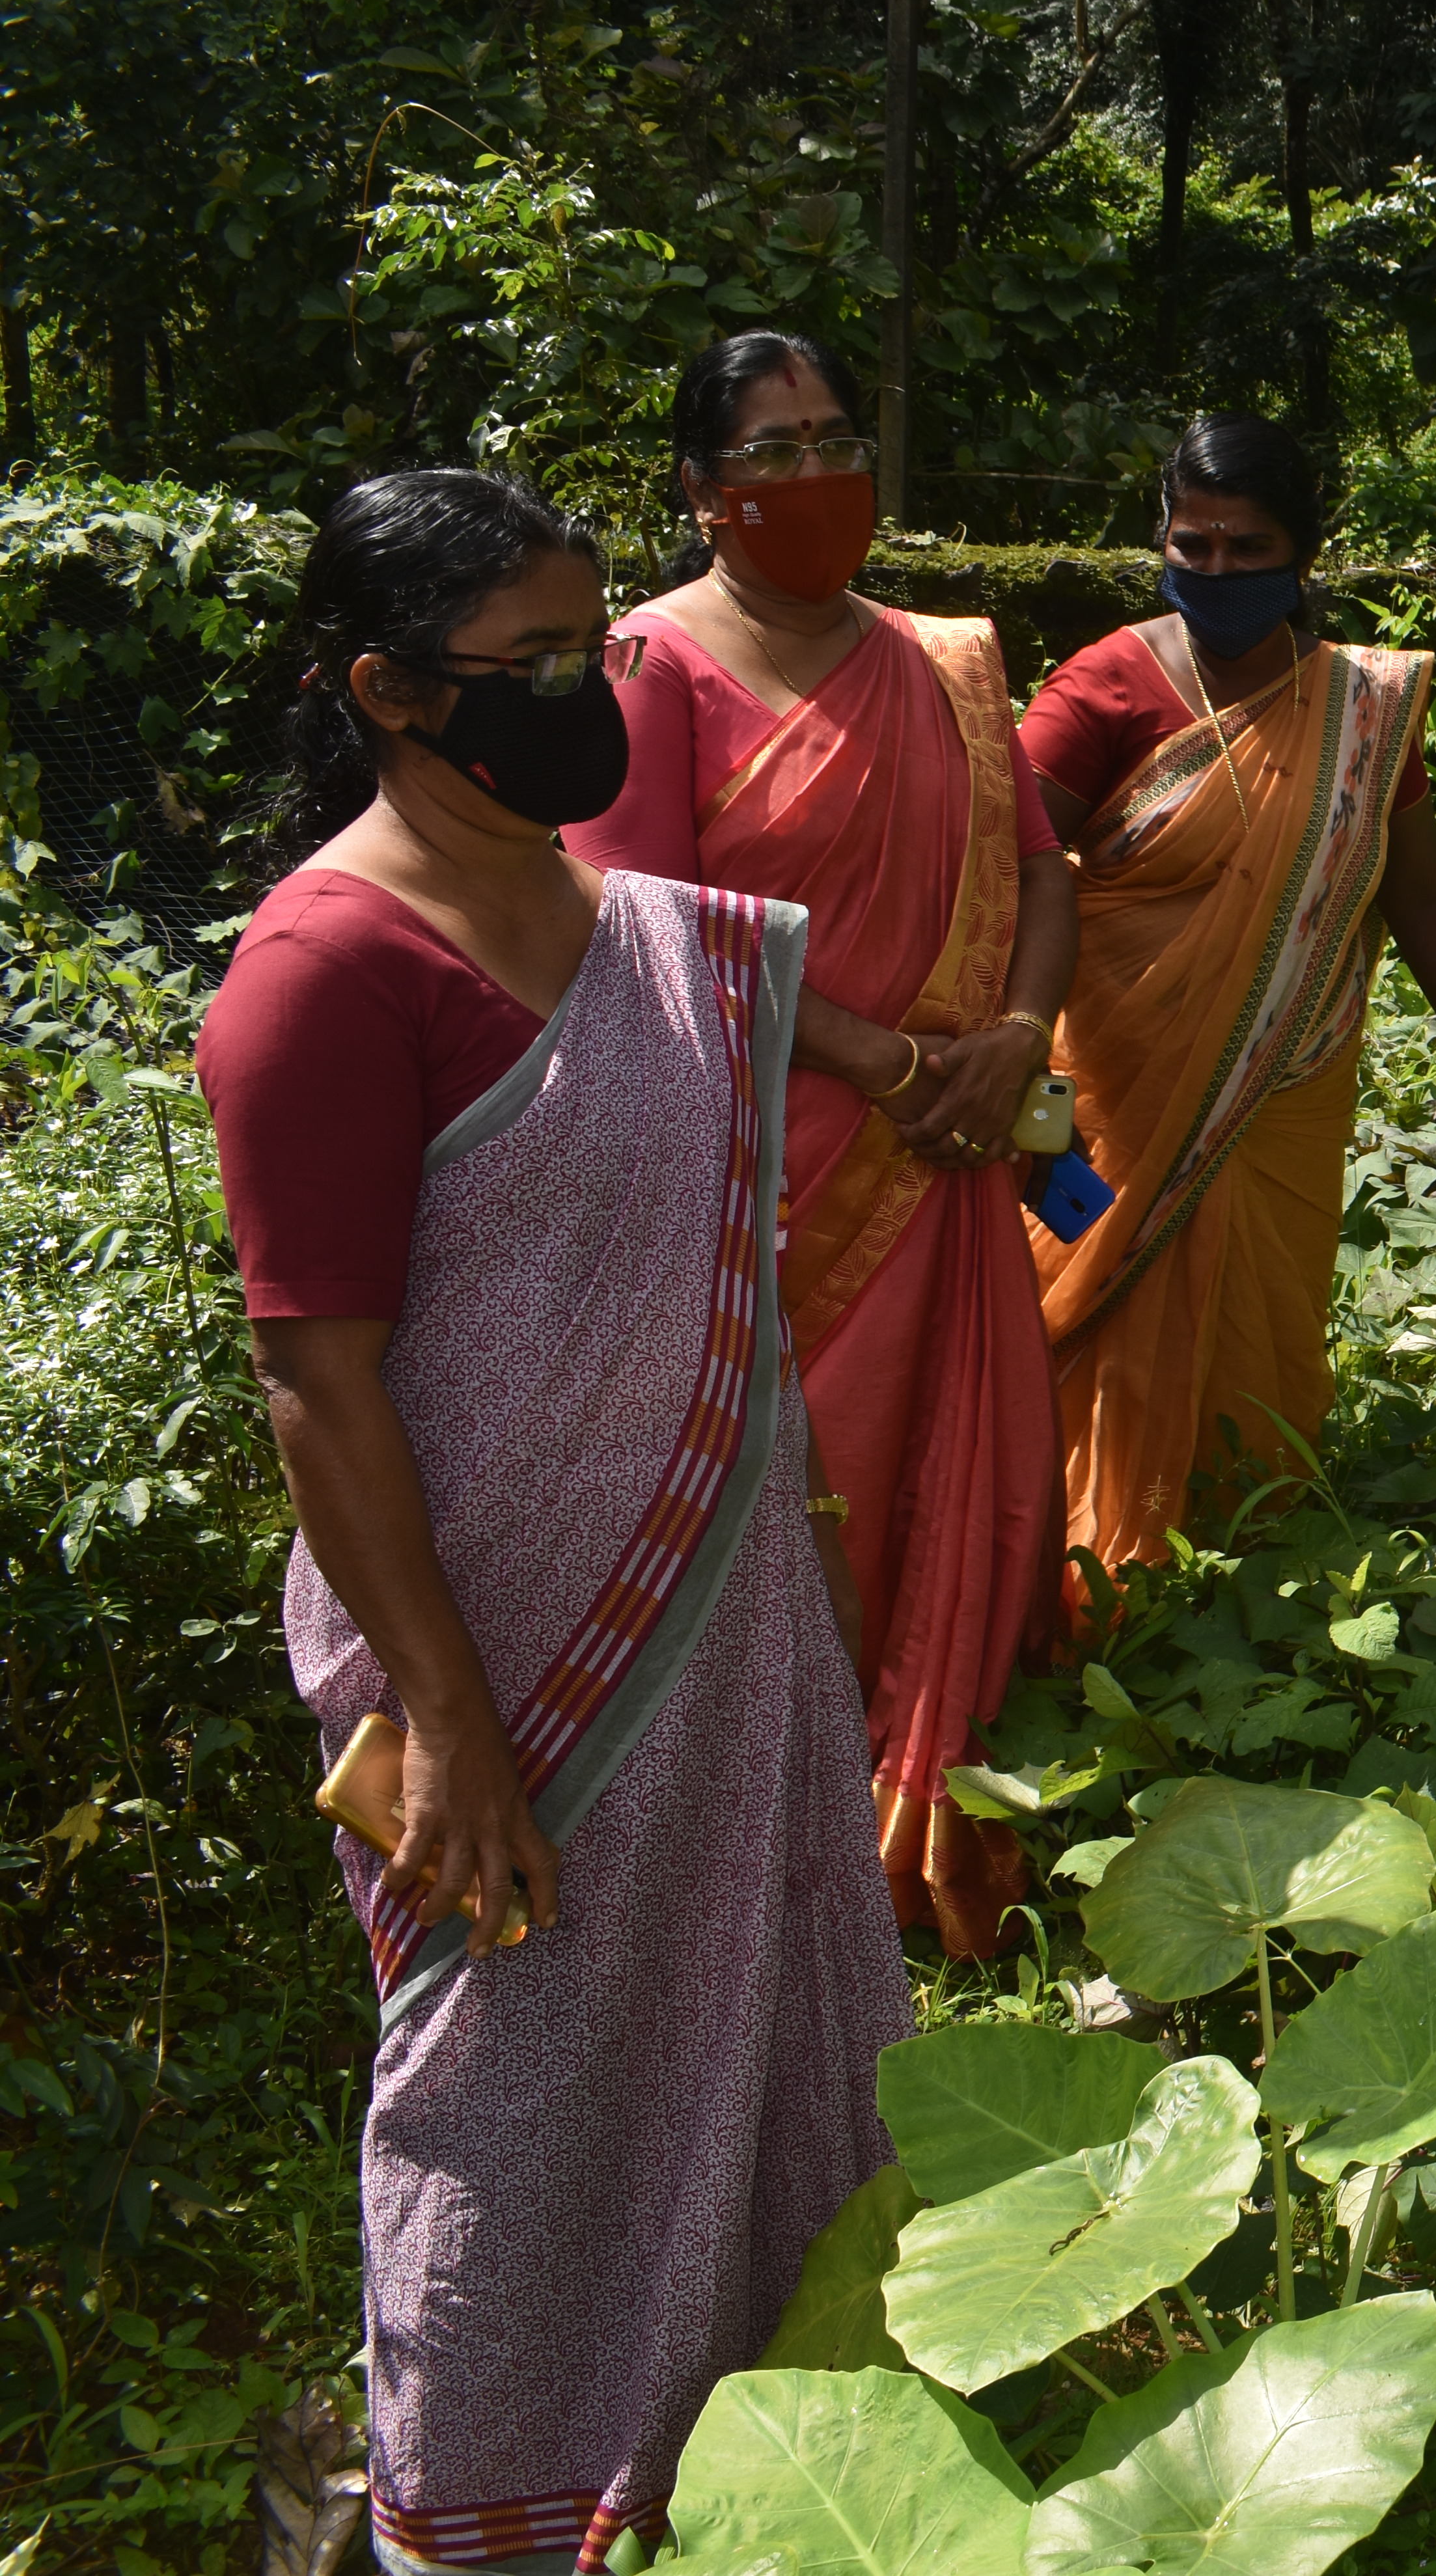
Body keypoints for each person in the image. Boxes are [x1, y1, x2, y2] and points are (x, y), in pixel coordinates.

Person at [196, 469, 908, 2571]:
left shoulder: (624, 920)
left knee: (758, 2022)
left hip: (722, 1634)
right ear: (389, 693)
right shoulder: (323, 974)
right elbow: (315, 1385)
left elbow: (768, 1141)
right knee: (502, 2097)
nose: (586, 696)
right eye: (528, 670)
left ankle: (740, 2487)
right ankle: (472, 2517)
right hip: (508, 1684)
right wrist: (459, 1722)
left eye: (594, 646)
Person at [571, 330, 1070, 1956]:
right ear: (706, 494)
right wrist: (882, 1053)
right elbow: (633, 922)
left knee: (953, 1468)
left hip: (958, 1139)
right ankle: (784, 1834)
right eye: (771, 450)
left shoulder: (946, 661)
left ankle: (947, 1788)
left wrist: (1012, 1042)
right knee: (802, 1500)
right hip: (762, 1167)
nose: (811, 474)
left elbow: (1043, 878)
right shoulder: (648, 670)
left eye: (835, 436)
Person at [1017, 411, 1436, 1566]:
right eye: (1193, 547)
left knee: (1263, 1295)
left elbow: (1420, 888)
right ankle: (1089, 1543)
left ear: (1303, 552)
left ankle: (1252, 1534)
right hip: (1120, 1072)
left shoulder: (1364, 706)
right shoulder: (1106, 685)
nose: (1219, 573)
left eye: (1248, 549)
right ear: (1162, 540)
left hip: (1289, 1076)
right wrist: (1014, 1083)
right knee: (1097, 1294)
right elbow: (1010, 880)